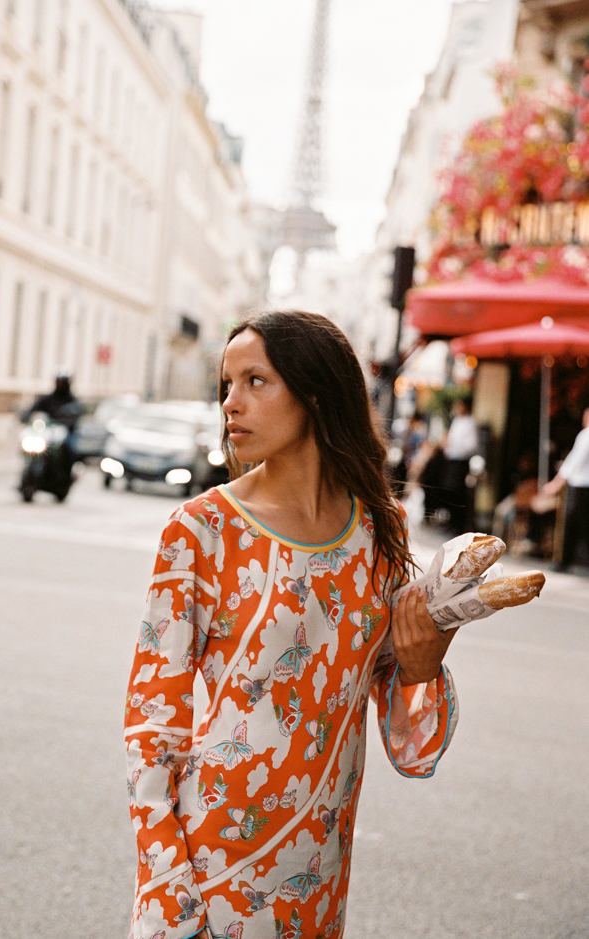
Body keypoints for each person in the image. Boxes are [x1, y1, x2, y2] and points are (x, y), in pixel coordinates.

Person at [124, 311, 459, 939]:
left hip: (321, 861)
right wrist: (166, 879)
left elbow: (410, 744)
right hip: (210, 857)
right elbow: (152, 718)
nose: (231, 403)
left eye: (256, 381)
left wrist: (420, 667)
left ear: (315, 393)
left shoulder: (378, 533)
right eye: (226, 384)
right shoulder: (202, 530)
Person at [540, 405, 589, 571]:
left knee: (572, 524)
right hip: (583, 486)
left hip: (580, 486)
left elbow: (573, 463)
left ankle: (566, 561)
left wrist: (555, 483)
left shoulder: (586, 435)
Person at [21, 370, 82, 468]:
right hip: (48, 431)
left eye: (63, 382)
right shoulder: (47, 399)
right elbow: (33, 409)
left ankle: (70, 471)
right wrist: (25, 416)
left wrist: (67, 422)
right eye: (59, 381)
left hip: (65, 431)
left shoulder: (72, 401)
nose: (61, 384)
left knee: (70, 448)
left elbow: (76, 415)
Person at [439, 397, 478, 534]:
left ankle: (458, 524)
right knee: (448, 491)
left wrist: (454, 445)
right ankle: (451, 521)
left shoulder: (470, 422)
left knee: (458, 492)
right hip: (451, 459)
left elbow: (471, 445)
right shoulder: (456, 421)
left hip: (461, 461)